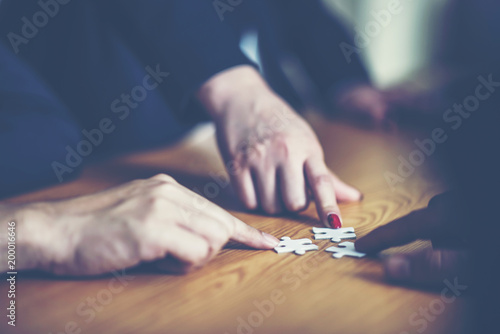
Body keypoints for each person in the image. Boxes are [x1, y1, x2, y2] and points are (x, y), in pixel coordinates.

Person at [0, 0, 373, 276]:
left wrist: (346, 82)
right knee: (47, 142)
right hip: (128, 118)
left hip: (220, 125)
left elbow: (300, 11)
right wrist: (40, 231)